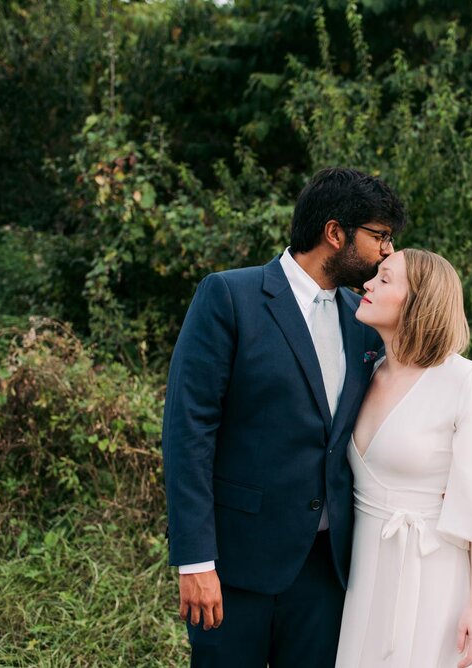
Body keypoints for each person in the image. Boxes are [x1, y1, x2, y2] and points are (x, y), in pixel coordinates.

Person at [161, 167, 405, 668]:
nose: (388, 251)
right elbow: (188, 433)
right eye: (379, 236)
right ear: (334, 233)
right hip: (236, 565)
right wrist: (195, 560)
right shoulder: (229, 297)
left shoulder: (363, 320)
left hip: (327, 570)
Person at [335, 249, 472, 668]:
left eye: (384, 279)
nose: (367, 284)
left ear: (417, 301)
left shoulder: (464, 381)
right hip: (365, 569)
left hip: (432, 572)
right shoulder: (365, 372)